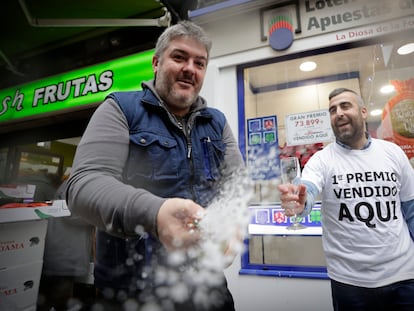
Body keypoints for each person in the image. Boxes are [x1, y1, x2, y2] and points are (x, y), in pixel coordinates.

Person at [66, 21, 245, 311]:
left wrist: (234, 224)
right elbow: (84, 185)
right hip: (132, 293)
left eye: (199, 63)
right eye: (179, 57)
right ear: (156, 62)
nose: (190, 68)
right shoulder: (120, 109)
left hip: (207, 288)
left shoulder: (217, 122)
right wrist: (155, 212)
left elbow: (237, 186)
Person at [278, 87, 414, 311]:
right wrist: (301, 203)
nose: (338, 113)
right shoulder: (322, 160)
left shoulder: (392, 152)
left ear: (363, 112)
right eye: (332, 110)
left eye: (345, 106)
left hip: (404, 276)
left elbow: (410, 208)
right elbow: (308, 189)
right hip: (350, 282)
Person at [37, 178, 95, 311]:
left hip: (61, 254)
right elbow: (73, 215)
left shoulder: (71, 185)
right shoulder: (79, 186)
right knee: (57, 300)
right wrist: (99, 214)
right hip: (65, 257)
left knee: (50, 299)